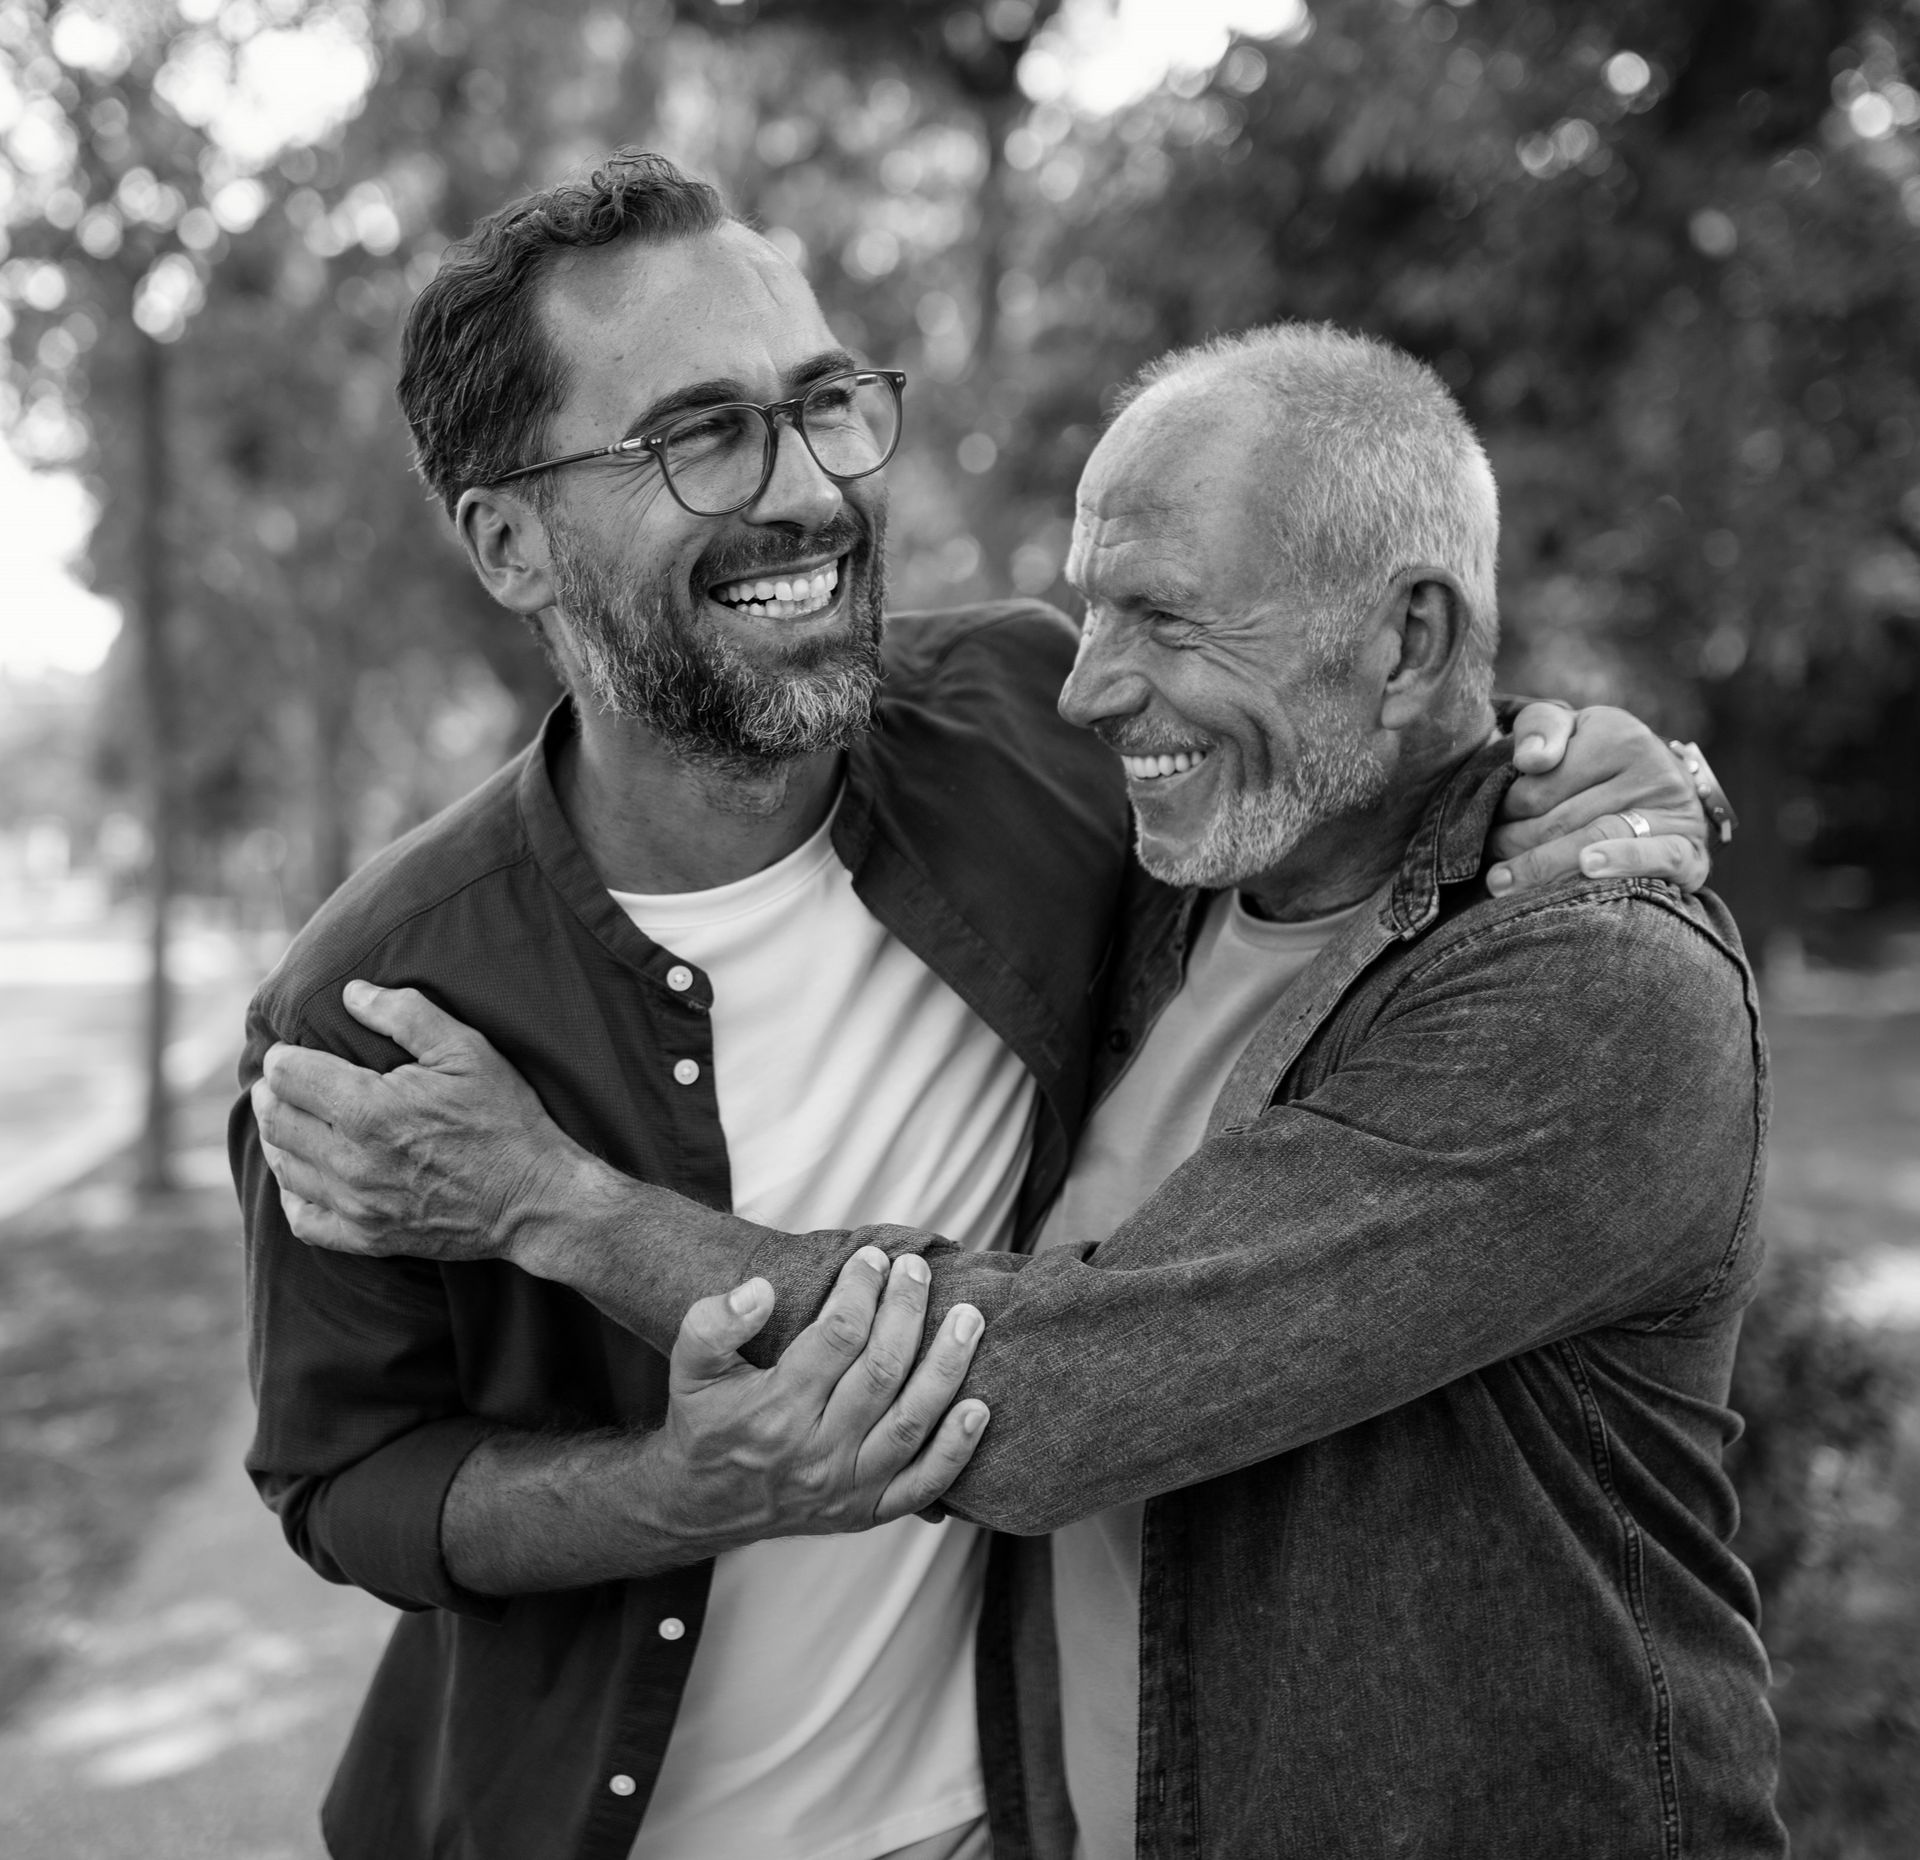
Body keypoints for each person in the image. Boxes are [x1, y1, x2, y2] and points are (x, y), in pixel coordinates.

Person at [238, 152, 1729, 1860]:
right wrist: (672, 1492)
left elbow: (1333, 717)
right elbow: (346, 1487)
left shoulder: (1035, 731)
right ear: (510, 541)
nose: (803, 489)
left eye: (823, 405)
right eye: (701, 433)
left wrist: (1593, 761)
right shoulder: (379, 1005)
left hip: (990, 1821)